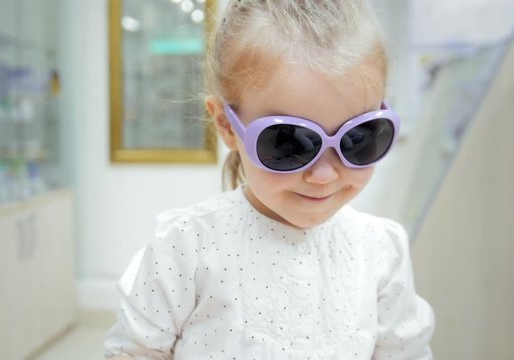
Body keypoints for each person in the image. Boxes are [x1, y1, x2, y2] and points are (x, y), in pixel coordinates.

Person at [104, 0, 435, 358]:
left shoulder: (381, 251)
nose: (324, 175)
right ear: (227, 126)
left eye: (359, 137)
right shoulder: (185, 247)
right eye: (290, 142)